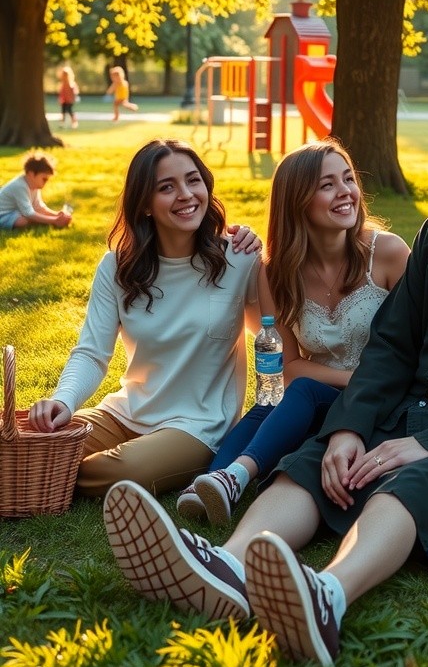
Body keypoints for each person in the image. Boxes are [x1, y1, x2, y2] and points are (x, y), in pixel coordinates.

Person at [103, 65, 428, 667]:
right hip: (419, 404)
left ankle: (328, 595)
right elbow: (394, 346)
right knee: (313, 459)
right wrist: (351, 426)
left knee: (411, 483)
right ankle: (229, 564)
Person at [176, 138, 410, 525]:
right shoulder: (277, 271)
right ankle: (209, 482)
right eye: (327, 185)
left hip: (382, 398)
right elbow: (286, 366)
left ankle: (234, 477)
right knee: (271, 402)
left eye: (348, 179)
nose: (345, 192)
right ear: (297, 199)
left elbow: (415, 346)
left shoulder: (387, 253)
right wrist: (345, 379)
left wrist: (362, 381)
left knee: (299, 392)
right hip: (315, 400)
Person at [28, 139, 262, 497]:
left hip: (197, 428)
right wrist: (63, 401)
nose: (185, 194)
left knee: (121, 469)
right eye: (166, 187)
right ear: (146, 204)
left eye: (193, 180)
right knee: (31, 437)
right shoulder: (118, 266)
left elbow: (271, 333)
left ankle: (50, 470)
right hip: (126, 414)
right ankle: (48, 464)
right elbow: (92, 352)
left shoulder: (238, 257)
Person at [0, 153, 73, 230]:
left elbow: (38, 207)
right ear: (31, 174)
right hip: (3, 214)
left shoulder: (34, 185)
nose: (46, 183)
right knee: (23, 221)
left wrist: (57, 215)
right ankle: (48, 222)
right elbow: (28, 213)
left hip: (14, 212)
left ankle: (49, 221)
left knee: (31, 216)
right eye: (44, 179)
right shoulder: (19, 186)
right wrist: (54, 220)